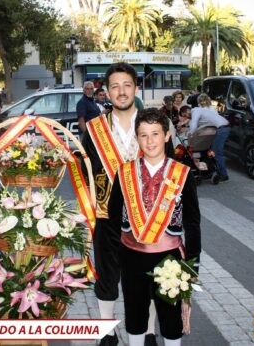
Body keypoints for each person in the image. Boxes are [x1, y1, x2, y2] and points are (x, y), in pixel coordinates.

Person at [106, 108, 201, 346]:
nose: (150, 141)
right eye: (144, 135)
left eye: (155, 134)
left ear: (167, 136)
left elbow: (192, 221)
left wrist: (192, 262)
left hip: (170, 259)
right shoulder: (124, 172)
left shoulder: (182, 174)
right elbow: (113, 216)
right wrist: (118, 256)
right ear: (137, 138)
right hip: (132, 257)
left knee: (171, 319)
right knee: (135, 315)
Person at [81, 63, 141, 346]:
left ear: (136, 88)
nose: (121, 91)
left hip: (149, 217)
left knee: (149, 279)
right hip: (107, 216)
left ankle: (149, 332)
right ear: (106, 91)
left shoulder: (154, 124)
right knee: (107, 275)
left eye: (126, 85)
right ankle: (107, 332)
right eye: (115, 86)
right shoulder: (94, 130)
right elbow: (84, 171)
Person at [189, 93, 231, 182]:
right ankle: (210, 171)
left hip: (221, 129)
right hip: (223, 127)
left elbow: (194, 123)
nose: (202, 102)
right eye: (201, 101)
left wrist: (191, 134)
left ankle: (223, 174)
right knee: (209, 150)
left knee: (215, 152)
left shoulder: (196, 110)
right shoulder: (210, 110)